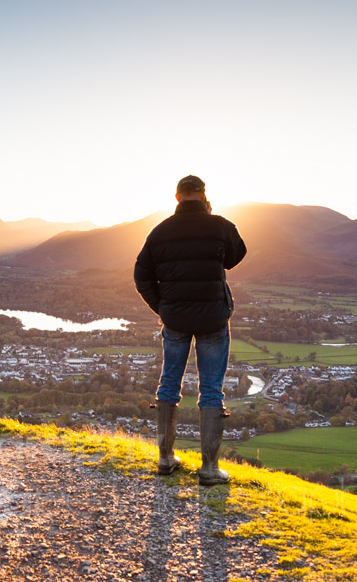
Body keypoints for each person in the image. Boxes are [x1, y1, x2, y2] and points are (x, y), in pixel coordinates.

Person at [134, 175, 247, 485]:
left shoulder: (160, 232)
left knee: (169, 383)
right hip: (213, 319)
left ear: (177, 197)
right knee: (211, 389)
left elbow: (141, 275)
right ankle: (210, 468)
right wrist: (211, 219)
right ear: (204, 195)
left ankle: (165, 458)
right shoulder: (220, 226)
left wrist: (163, 307)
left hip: (175, 320)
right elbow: (236, 256)